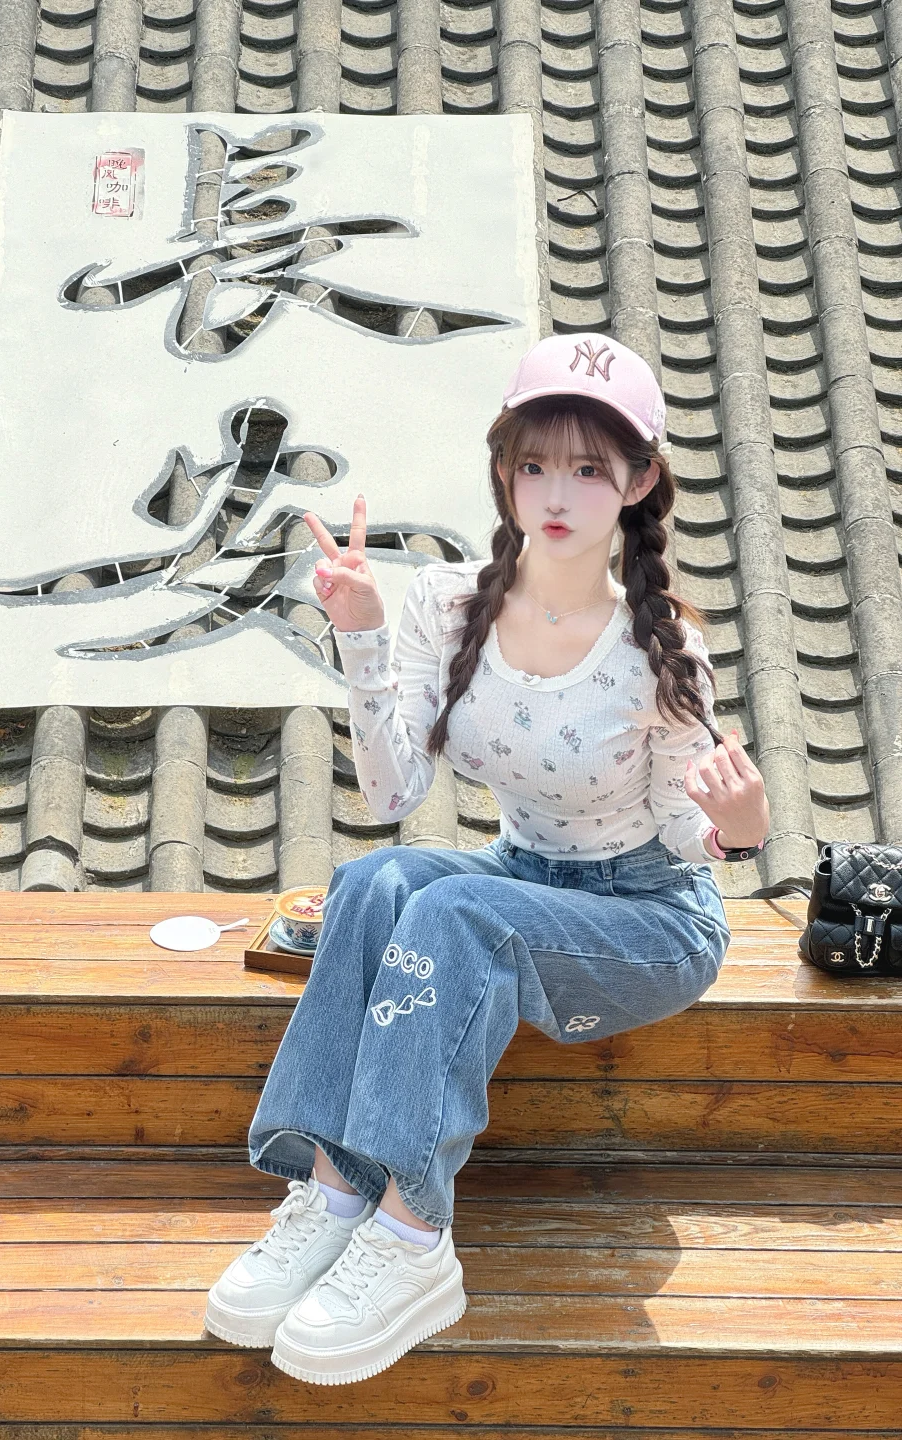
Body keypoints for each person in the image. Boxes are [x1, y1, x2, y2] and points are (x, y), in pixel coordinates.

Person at [203, 331, 770, 1386]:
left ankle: (413, 1235)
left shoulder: (658, 652)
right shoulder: (446, 602)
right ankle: (334, 1192)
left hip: (647, 918)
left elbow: (688, 834)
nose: (555, 493)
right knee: (373, 883)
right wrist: (362, 636)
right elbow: (391, 798)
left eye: (588, 469)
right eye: (533, 463)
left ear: (639, 482)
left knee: (456, 914)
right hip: (524, 876)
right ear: (503, 471)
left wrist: (738, 826)